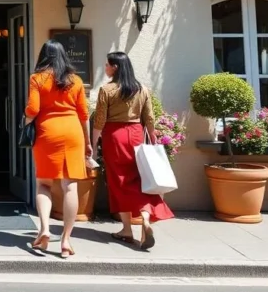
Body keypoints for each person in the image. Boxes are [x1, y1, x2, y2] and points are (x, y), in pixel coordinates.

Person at [91, 51, 174, 250]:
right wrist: (153, 139)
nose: (105, 68)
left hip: (115, 136)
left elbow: (99, 120)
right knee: (139, 178)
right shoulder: (142, 89)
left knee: (119, 181)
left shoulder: (107, 90)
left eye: (107, 65)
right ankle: (145, 217)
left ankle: (127, 229)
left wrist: (93, 146)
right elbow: (150, 118)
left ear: (115, 67)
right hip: (136, 134)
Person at [24, 40, 90, 258]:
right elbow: (83, 114)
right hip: (73, 133)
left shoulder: (37, 78)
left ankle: (44, 229)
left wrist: (25, 120)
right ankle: (66, 241)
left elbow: (33, 109)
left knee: (44, 183)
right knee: (70, 185)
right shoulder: (76, 80)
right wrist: (88, 142)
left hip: (48, 133)